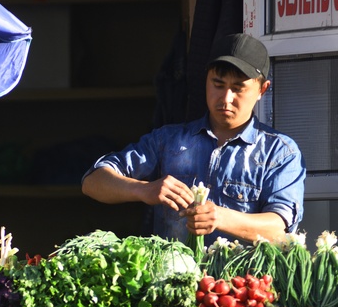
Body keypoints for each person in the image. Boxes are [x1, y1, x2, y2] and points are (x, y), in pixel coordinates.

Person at [81, 33, 305, 244]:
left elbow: (281, 228)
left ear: (262, 90)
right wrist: (143, 189)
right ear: (205, 80)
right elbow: (92, 182)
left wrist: (219, 217)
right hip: (172, 282)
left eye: (238, 89)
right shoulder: (167, 140)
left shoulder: (280, 152)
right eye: (218, 84)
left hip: (244, 284)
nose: (226, 99)